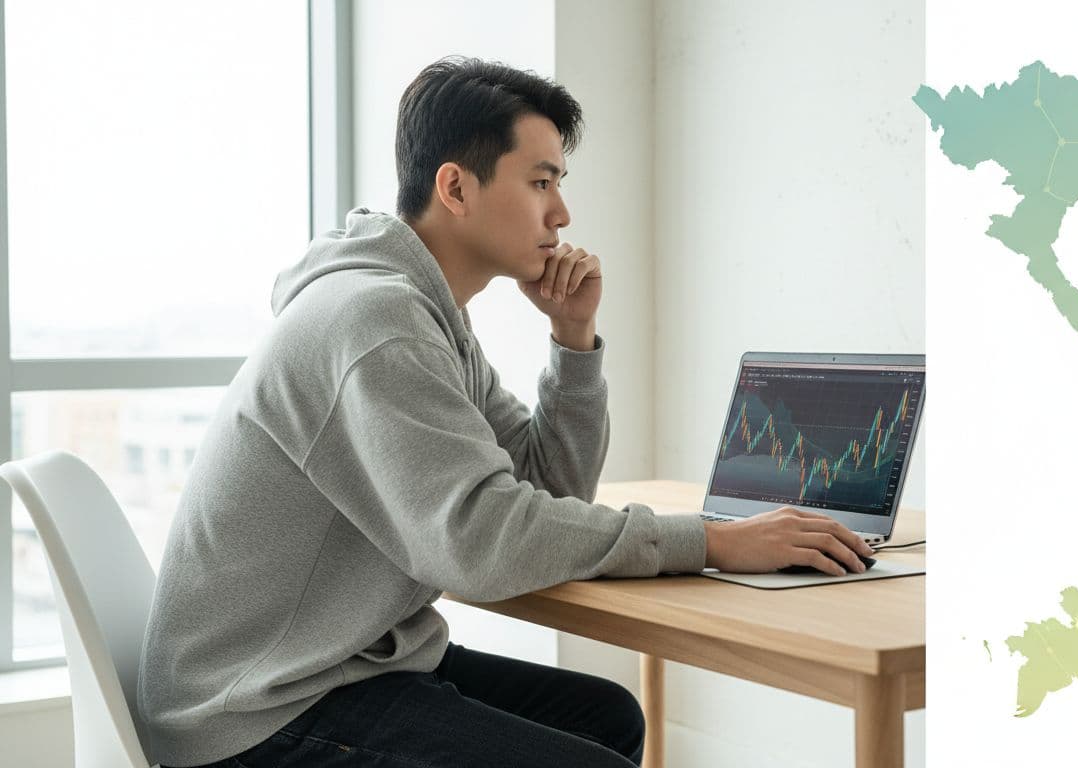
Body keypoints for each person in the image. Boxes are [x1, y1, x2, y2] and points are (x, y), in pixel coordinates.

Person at [138, 56, 875, 768]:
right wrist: (714, 542)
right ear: (455, 187)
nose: (562, 212)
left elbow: (550, 491)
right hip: (258, 713)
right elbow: (481, 542)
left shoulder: (428, 316)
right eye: (541, 181)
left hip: (341, 665)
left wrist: (573, 342)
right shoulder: (375, 322)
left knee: (606, 715)